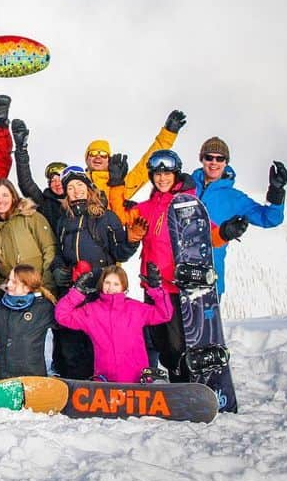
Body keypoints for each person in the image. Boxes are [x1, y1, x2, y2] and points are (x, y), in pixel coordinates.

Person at [107, 149, 249, 381]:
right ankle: (177, 381)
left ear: (176, 175)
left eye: (167, 174)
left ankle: (183, 381)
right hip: (153, 286)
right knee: (160, 339)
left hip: (177, 288)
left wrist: (225, 232)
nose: (162, 178)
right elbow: (120, 216)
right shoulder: (147, 207)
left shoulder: (188, 205)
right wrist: (116, 185)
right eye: (157, 174)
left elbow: (210, 235)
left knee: (177, 343)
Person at [49, 166, 140, 379]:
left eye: (80, 185)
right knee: (71, 341)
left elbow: (120, 252)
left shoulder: (106, 217)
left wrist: (132, 241)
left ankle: (104, 379)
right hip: (75, 289)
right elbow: (59, 252)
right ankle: (75, 385)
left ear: (89, 188)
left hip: (100, 289)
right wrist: (58, 268)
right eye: (70, 187)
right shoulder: (64, 220)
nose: (76, 191)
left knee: (98, 340)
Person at [190, 137, 287, 297]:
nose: (214, 162)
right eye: (209, 157)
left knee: (206, 323)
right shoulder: (185, 187)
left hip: (210, 281)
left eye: (219, 158)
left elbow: (269, 218)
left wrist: (276, 191)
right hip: (175, 277)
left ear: (225, 162)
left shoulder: (234, 198)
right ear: (202, 159)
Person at [56, 264, 173, 383]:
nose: (111, 287)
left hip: (136, 381)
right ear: (101, 284)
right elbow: (62, 316)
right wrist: (77, 292)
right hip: (105, 381)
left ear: (124, 287)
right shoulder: (91, 311)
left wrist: (156, 289)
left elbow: (165, 314)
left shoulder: (135, 308)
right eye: (107, 282)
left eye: (116, 284)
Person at [83, 110, 186, 202]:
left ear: (109, 160)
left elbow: (144, 168)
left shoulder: (121, 183)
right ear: (87, 159)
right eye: (93, 153)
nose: (98, 157)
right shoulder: (78, 183)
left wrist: (168, 134)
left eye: (103, 154)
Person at [0, 179, 57, 286]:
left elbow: (50, 249)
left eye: (5, 195)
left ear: (13, 197)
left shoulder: (31, 217)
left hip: (39, 287)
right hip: (13, 293)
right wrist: (3, 288)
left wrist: (47, 284)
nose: (0, 200)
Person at [9, 118, 65, 230]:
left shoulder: (80, 199)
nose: (57, 183)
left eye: (60, 179)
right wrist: (21, 149)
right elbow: (26, 183)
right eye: (52, 181)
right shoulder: (45, 202)